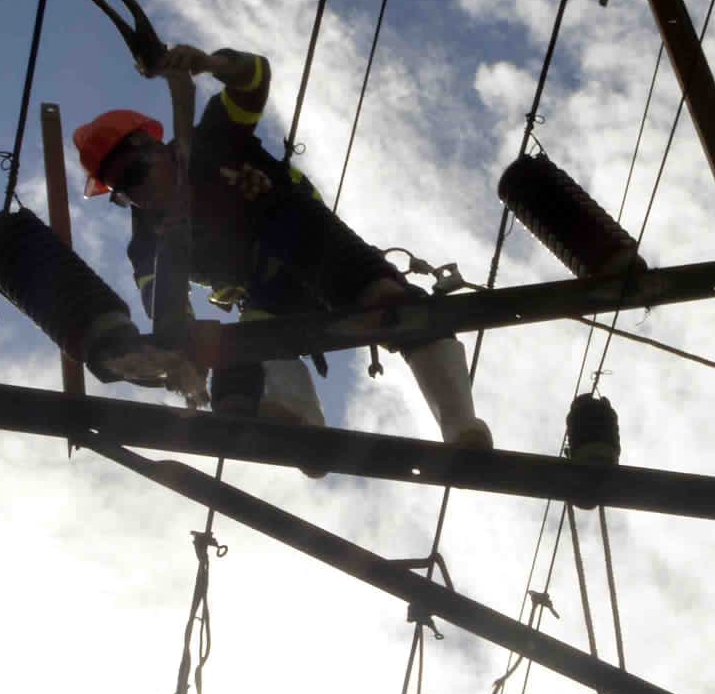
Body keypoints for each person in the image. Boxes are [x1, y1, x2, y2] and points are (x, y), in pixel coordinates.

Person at [73, 44, 491, 448]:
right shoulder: (149, 238)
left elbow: (253, 79)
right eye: (122, 190)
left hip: (313, 244)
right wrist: (182, 347)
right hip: (266, 290)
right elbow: (163, 300)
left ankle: (462, 429)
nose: (137, 194)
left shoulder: (211, 142)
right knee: (251, 345)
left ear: (154, 149)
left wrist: (208, 62)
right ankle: (301, 430)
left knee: (393, 304)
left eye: (133, 174)